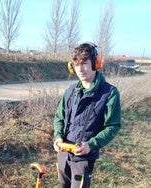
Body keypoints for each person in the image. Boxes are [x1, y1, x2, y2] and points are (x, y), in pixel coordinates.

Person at [53, 43, 121, 188]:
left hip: (84, 158)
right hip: (64, 154)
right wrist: (58, 137)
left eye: (84, 63)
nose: (80, 69)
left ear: (96, 63)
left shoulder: (109, 93)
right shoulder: (71, 91)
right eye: (76, 64)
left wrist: (91, 144)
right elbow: (59, 117)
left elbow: (112, 126)